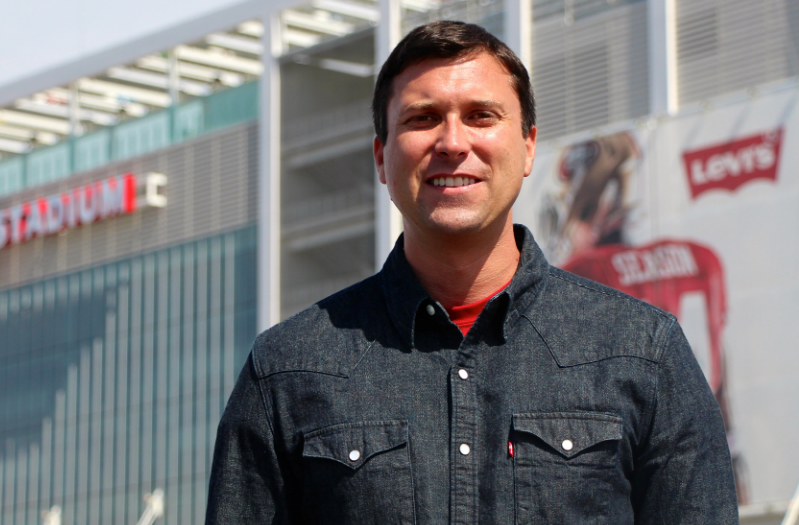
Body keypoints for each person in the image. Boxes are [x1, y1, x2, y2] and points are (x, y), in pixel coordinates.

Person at [206, 21, 738, 524]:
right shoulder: (286, 370)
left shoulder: (644, 352)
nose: (453, 142)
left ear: (528, 146)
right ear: (380, 157)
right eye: (422, 118)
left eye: (481, 116)